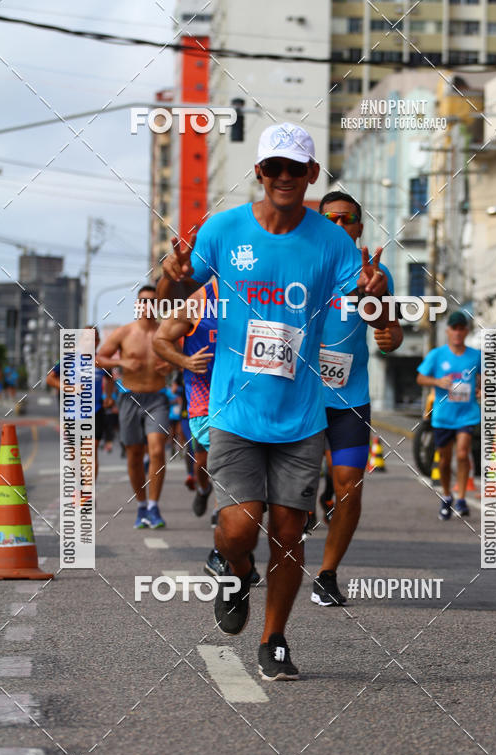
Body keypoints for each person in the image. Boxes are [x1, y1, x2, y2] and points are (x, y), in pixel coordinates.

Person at [155, 122, 390, 681]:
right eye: (274, 168)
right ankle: (236, 574)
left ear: (311, 175)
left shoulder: (331, 243)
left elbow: (358, 315)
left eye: (296, 169)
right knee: (238, 529)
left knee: (288, 532)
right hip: (236, 410)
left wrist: (375, 298)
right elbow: (171, 302)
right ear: (259, 172)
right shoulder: (222, 229)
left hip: (303, 416)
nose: (285, 177)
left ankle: (274, 638)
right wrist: (170, 277)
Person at [311, 191, 402, 607]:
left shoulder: (376, 274)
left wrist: (386, 327)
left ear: (359, 228)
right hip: (300, 398)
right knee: (290, 493)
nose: (338, 225)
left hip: (350, 398)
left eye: (346, 219)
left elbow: (390, 336)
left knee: (350, 487)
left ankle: (327, 574)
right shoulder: (299, 265)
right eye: (329, 218)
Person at [153, 277, 261, 583]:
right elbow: (160, 340)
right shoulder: (201, 299)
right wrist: (184, 360)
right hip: (206, 405)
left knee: (238, 478)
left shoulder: (259, 293)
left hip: (248, 404)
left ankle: (233, 550)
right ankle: (224, 549)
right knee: (217, 471)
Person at [96, 285, 173, 529]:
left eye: (153, 301)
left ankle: (154, 506)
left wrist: (169, 366)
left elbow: (179, 358)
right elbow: (99, 358)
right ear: (138, 304)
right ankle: (141, 506)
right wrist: (121, 361)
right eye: (144, 301)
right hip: (130, 399)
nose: (148, 305)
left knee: (157, 450)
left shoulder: (165, 333)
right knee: (134, 455)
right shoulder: (124, 333)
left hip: (157, 398)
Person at [416, 310, 481, 520]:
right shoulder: (437, 355)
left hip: (467, 414)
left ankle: (461, 499)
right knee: (444, 461)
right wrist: (437, 382)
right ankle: (446, 496)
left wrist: (481, 387)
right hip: (443, 416)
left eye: (462, 328)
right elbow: (420, 378)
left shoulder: (476, 356)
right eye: (454, 328)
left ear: (466, 331)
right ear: (448, 331)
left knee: (462, 453)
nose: (458, 332)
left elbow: (486, 377)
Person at [46, 325, 109, 482]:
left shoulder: (100, 361)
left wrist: (109, 395)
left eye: (92, 339)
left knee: (90, 452)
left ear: (97, 341)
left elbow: (111, 379)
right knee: (75, 456)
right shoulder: (69, 358)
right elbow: (50, 378)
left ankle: (88, 494)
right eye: (86, 338)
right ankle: (77, 487)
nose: (89, 342)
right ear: (81, 340)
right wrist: (69, 388)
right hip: (73, 413)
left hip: (96, 411)